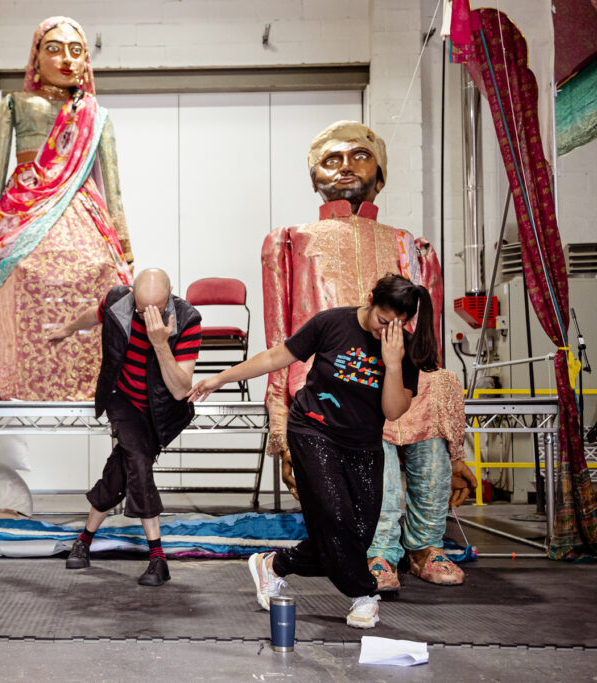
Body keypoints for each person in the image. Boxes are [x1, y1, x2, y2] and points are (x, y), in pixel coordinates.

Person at [190, 274, 437, 628]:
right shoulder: (332, 322)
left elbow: (393, 411)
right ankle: (364, 594)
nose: (388, 331)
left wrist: (394, 363)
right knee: (336, 520)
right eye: (383, 321)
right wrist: (219, 378)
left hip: (363, 445)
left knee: (356, 533)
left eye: (398, 325)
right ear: (369, 299)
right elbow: (277, 356)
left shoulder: (402, 348)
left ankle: (274, 565)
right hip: (313, 430)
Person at [261, 120, 444, 499]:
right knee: (374, 496)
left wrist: (448, 431)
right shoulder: (291, 240)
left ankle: (424, 549)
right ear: (314, 179)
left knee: (431, 478)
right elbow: (280, 342)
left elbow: (430, 345)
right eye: (331, 159)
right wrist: (281, 429)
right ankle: (374, 556)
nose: (345, 166)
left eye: (360, 156)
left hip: (404, 390)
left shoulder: (412, 245)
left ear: (380, 177)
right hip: (329, 396)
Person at [0, 16, 133, 401]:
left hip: (81, 205)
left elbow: (113, 188)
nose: (66, 59)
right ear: (35, 56)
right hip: (23, 207)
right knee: (17, 273)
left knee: (104, 273)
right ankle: (6, 374)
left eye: (76, 52)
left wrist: (125, 246)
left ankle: (102, 374)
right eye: (54, 49)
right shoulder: (14, 104)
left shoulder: (96, 115)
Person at [46, 269, 201, 586]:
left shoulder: (188, 319)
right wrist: (67, 330)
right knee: (138, 462)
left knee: (120, 471)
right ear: (132, 295)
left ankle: (84, 540)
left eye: (156, 309)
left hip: (162, 410)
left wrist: (160, 344)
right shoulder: (118, 300)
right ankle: (158, 558)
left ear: (170, 297)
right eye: (143, 310)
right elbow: (93, 315)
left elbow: (179, 388)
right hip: (122, 398)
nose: (148, 316)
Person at [368, 368, 477, 591]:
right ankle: (377, 551)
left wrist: (454, 457)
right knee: (376, 455)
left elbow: (426, 353)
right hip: (360, 379)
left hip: (414, 381)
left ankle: (425, 548)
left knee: (438, 382)